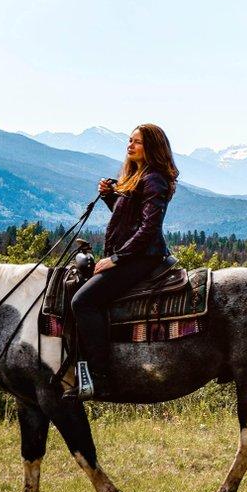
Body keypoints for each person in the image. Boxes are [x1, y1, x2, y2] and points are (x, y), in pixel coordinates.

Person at [70, 123, 178, 398]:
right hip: (134, 254)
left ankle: (101, 378)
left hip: (144, 257)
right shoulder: (137, 177)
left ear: (152, 147)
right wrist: (110, 197)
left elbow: (149, 228)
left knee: (83, 302)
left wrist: (117, 259)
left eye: (137, 142)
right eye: (130, 140)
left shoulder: (154, 179)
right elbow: (129, 217)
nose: (130, 145)